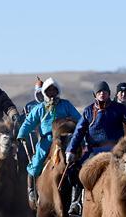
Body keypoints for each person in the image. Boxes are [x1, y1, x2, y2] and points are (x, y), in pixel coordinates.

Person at [65, 81, 126, 216]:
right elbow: (78, 132)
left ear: (109, 94)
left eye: (105, 92)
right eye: (99, 92)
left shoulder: (119, 108)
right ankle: (76, 201)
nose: (102, 94)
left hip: (116, 151)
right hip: (94, 151)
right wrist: (70, 150)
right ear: (95, 95)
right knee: (76, 169)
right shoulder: (88, 111)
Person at [16, 77, 81, 206]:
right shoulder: (40, 108)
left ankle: (77, 196)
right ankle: (32, 189)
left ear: (57, 91)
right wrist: (21, 134)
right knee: (37, 161)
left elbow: (79, 119)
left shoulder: (65, 104)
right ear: (45, 92)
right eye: (49, 90)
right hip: (48, 140)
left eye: (54, 90)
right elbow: (29, 122)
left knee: (77, 162)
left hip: (65, 139)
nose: (52, 92)